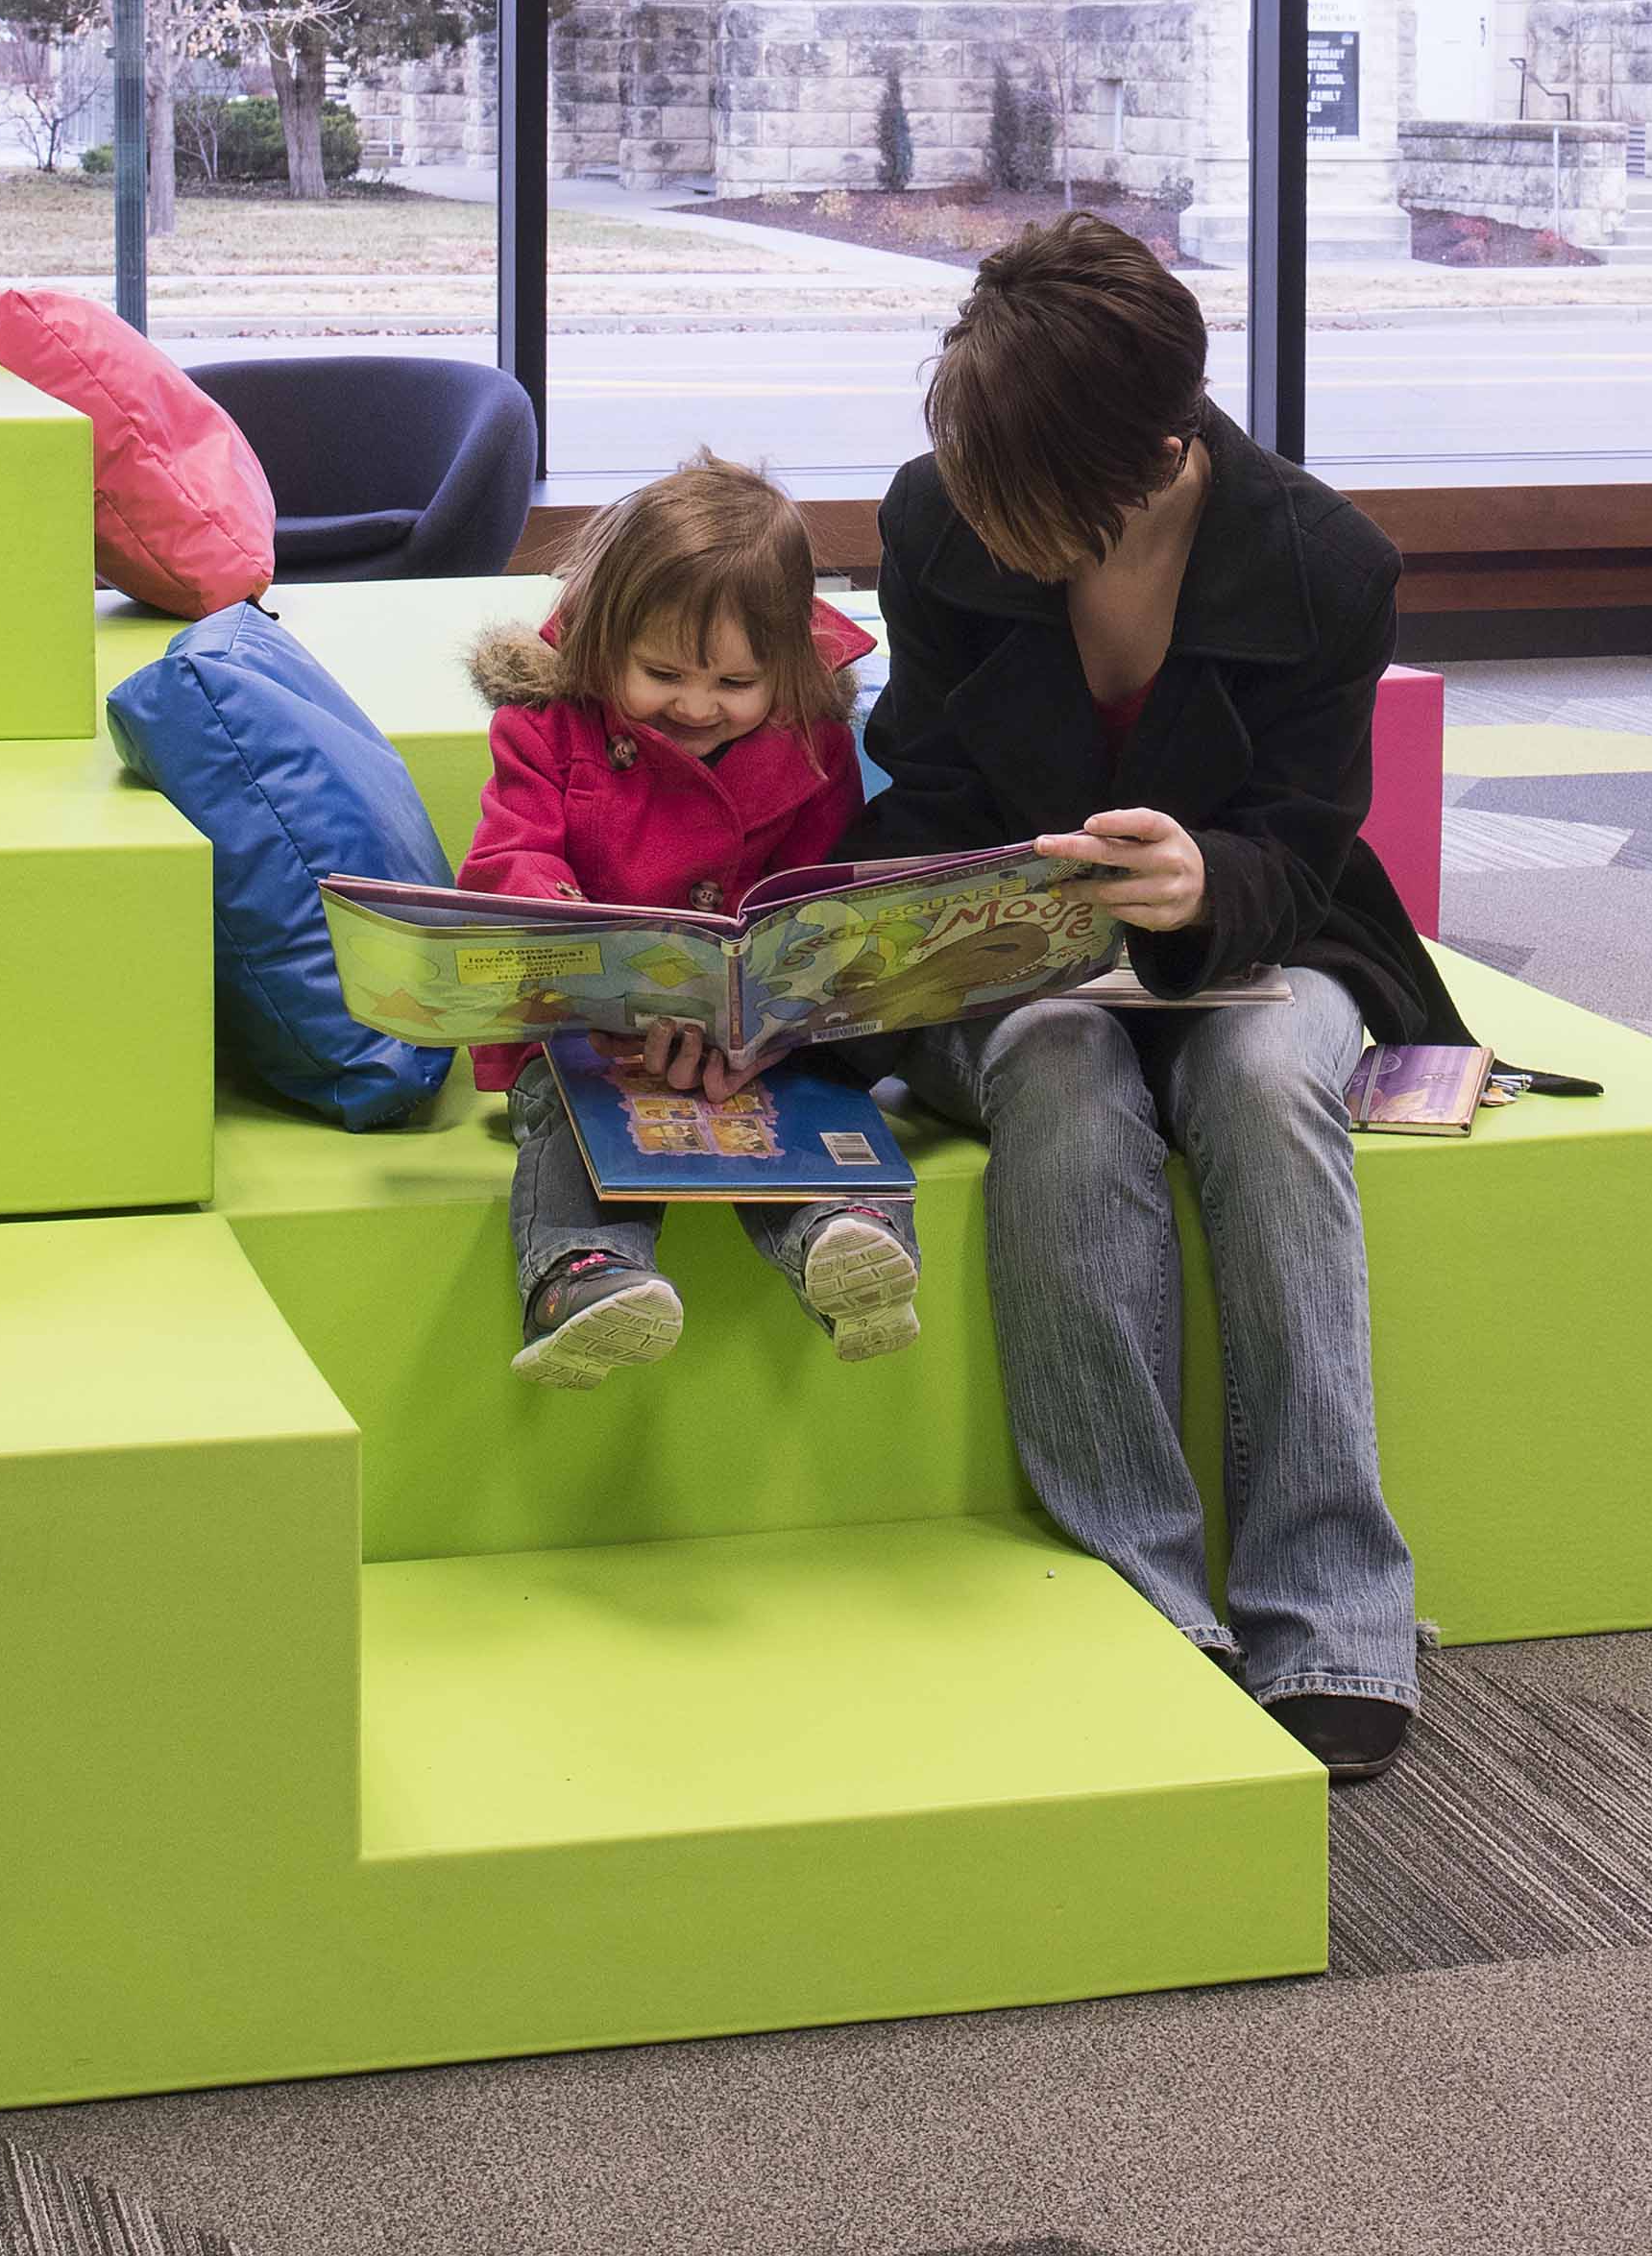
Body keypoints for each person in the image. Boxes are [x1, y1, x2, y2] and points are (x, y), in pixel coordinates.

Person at [844, 216, 1469, 1784]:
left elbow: (1306, 844)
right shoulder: (938, 516)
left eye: (1021, 488)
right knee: (1062, 1063)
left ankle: (1334, 1616)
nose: (986, 512)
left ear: (1148, 454)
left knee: (1262, 1076)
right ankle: (1143, 1596)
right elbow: (925, 781)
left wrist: (1205, 883)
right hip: (1026, 957)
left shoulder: (1324, 562)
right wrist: (881, 928)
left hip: (1271, 941)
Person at [458, 452, 920, 1389]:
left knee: (823, 1094)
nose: (697, 705)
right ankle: (586, 1277)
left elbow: (816, 898)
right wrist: (591, 955)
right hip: (586, 1031)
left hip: (756, 1041)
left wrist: (768, 1015)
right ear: (604, 636)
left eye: (736, 681)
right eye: (661, 672)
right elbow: (510, 858)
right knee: (569, 1108)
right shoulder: (547, 723)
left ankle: (849, 1237)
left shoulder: (810, 743)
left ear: (786, 664)